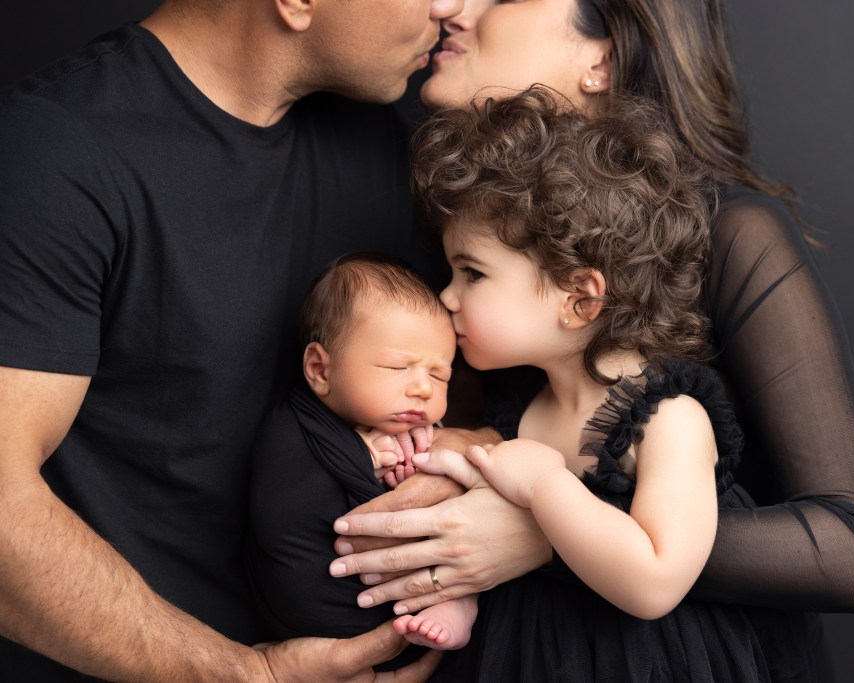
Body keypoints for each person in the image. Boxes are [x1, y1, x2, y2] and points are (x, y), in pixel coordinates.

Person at [330, 0, 854, 679]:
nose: (453, 6)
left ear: (601, 58)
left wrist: (553, 530)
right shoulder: (456, 221)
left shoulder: (730, 238)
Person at [0, 0, 467, 680]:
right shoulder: (55, 151)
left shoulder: (394, 133)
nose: (452, 5)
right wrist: (250, 675)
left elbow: (479, 385)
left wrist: (484, 483)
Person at [407, 86, 779, 681]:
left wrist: (544, 485)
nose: (446, 296)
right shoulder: (519, 403)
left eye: (472, 273)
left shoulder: (669, 419)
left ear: (580, 300)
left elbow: (657, 581)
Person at [247, 254, 477, 668]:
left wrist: (420, 463)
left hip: (405, 615)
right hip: (316, 638)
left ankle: (461, 603)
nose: (424, 389)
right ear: (319, 369)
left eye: (440, 375)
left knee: (467, 531)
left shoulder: (417, 427)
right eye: (397, 367)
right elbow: (284, 505)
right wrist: (364, 459)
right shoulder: (292, 427)